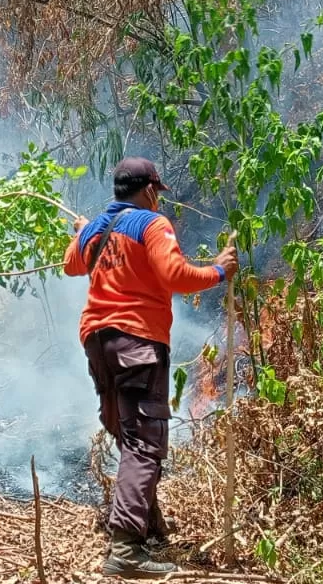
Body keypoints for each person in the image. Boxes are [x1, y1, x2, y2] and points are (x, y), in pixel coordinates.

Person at [63, 156, 238, 577]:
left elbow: (71, 264)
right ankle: (125, 550)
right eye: (156, 193)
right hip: (138, 341)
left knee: (129, 434)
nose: (158, 201)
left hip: (97, 341)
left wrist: (82, 232)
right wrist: (219, 270)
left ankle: (146, 527)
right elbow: (174, 274)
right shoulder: (150, 225)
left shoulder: (95, 229)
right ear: (147, 191)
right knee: (144, 442)